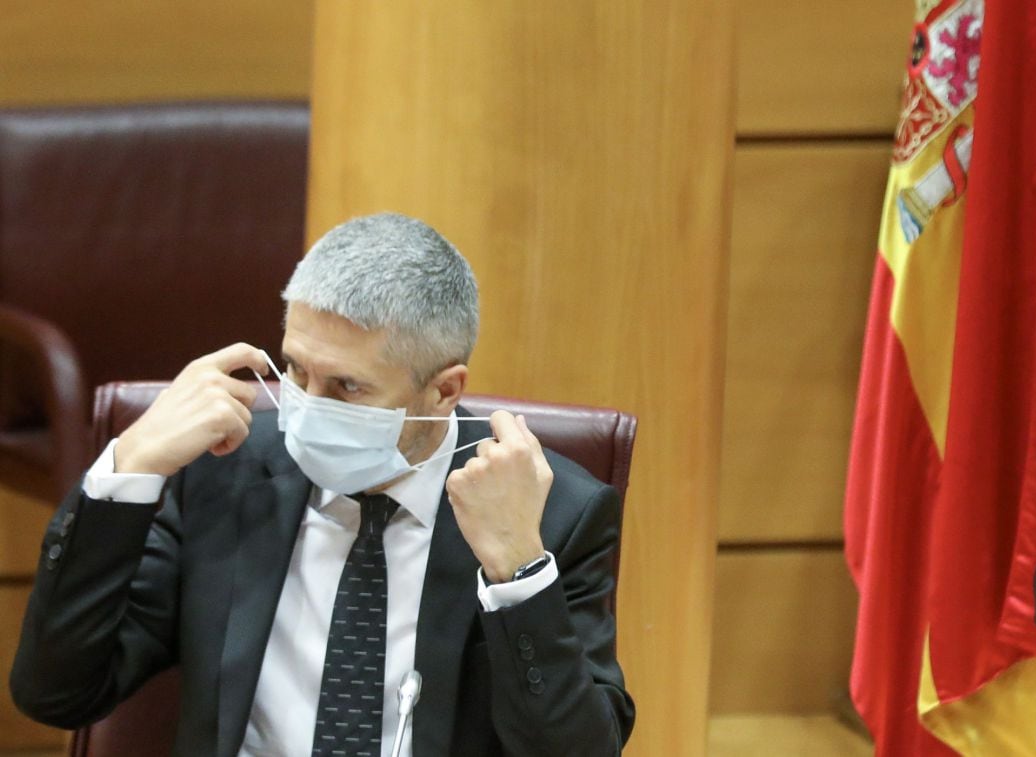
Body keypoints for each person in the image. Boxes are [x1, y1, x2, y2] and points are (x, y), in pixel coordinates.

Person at [9, 213, 634, 756]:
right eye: (297, 370)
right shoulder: (221, 469)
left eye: (347, 387)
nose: (305, 407)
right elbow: (58, 692)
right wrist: (130, 467)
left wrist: (517, 573)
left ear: (444, 390)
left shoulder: (549, 514)